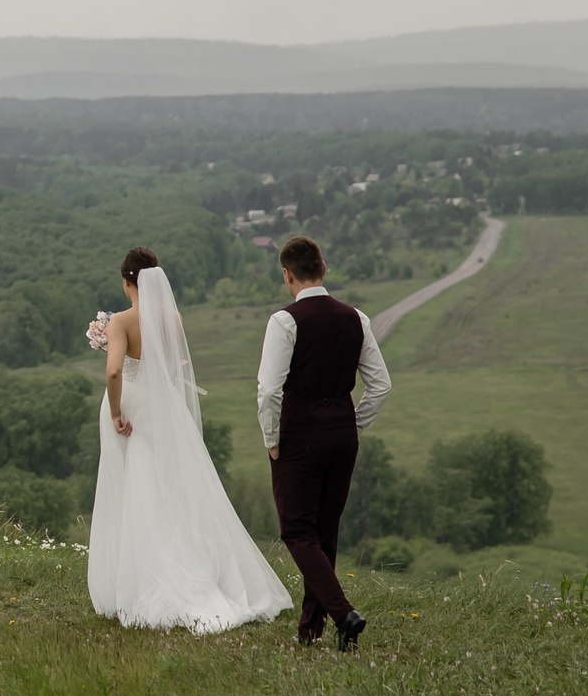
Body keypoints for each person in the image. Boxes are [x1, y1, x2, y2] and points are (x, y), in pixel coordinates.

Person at [87, 247, 292, 633]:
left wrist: (115, 411)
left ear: (127, 280)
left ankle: (139, 577)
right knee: (171, 487)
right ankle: (194, 563)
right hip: (164, 411)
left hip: (133, 407)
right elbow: (172, 367)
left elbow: (114, 370)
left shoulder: (122, 322)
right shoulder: (174, 319)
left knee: (132, 486)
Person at [257, 235, 393, 650]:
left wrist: (271, 439)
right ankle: (310, 631)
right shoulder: (357, 318)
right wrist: (354, 425)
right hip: (342, 436)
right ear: (324, 268)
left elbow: (269, 391)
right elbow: (381, 385)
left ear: (286, 274)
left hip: (298, 438)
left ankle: (342, 613)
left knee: (298, 531)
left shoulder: (284, 321)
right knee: (324, 532)